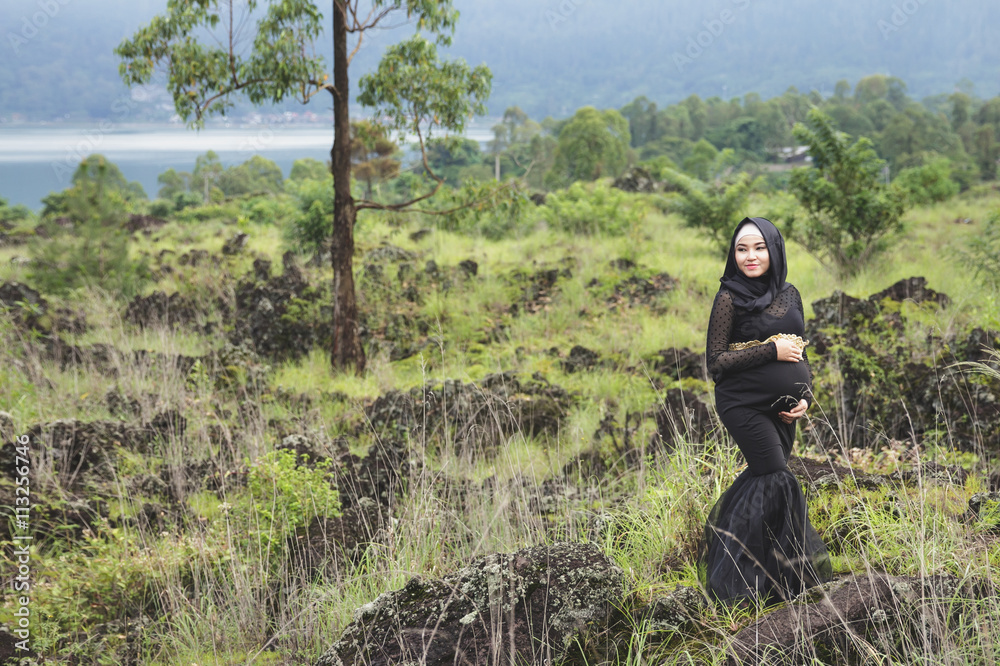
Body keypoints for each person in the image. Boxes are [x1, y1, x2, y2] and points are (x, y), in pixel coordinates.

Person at [699, 216, 832, 606]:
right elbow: (716, 361)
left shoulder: (789, 294)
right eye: (742, 249)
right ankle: (738, 579)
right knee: (775, 474)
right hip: (742, 402)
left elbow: (801, 350)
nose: (750, 256)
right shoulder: (728, 297)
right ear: (733, 254)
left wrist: (806, 396)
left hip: (784, 410)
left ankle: (771, 572)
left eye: (759, 247)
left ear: (774, 249)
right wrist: (771, 351)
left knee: (767, 475)